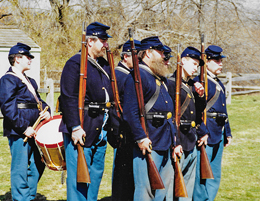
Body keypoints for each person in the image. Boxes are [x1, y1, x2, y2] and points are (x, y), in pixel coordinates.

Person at [59, 21, 117, 201]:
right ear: (90, 41)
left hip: (100, 128)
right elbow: (68, 97)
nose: (106, 44)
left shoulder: (105, 65)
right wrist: (75, 127)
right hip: (82, 128)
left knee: (95, 176)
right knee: (78, 180)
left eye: (106, 40)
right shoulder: (75, 63)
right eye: (102, 40)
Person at [122, 36, 176, 200]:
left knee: (162, 190)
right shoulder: (137, 77)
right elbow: (130, 112)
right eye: (159, 52)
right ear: (148, 53)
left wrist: (173, 140)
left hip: (164, 140)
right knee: (145, 191)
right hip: (148, 140)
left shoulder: (157, 77)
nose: (163, 56)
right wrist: (140, 137)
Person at [0, 42, 51, 201]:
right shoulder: (8, 80)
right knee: (20, 168)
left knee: (38, 165)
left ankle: (27, 197)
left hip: (35, 130)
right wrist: (23, 128)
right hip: (20, 132)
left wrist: (47, 111)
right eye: (28, 57)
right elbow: (8, 108)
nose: (31, 59)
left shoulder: (30, 80)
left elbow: (38, 101)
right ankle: (21, 198)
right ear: (17, 59)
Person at [167, 46, 208, 201]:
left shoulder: (192, 85)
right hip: (178, 141)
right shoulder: (171, 84)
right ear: (182, 61)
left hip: (190, 140)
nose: (195, 68)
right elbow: (170, 117)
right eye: (193, 64)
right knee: (173, 188)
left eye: (197, 66)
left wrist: (200, 96)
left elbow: (198, 113)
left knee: (187, 190)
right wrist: (174, 141)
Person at [193, 45, 232, 201]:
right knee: (201, 173)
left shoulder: (218, 83)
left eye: (220, 60)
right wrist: (202, 132)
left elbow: (224, 111)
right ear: (206, 61)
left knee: (214, 173)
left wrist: (227, 132)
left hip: (219, 131)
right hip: (206, 132)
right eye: (216, 60)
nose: (220, 63)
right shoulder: (199, 82)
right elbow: (196, 111)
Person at [112, 39, 141, 201]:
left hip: (125, 129)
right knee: (122, 177)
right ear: (125, 57)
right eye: (135, 57)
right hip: (122, 130)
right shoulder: (121, 75)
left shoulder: (126, 75)